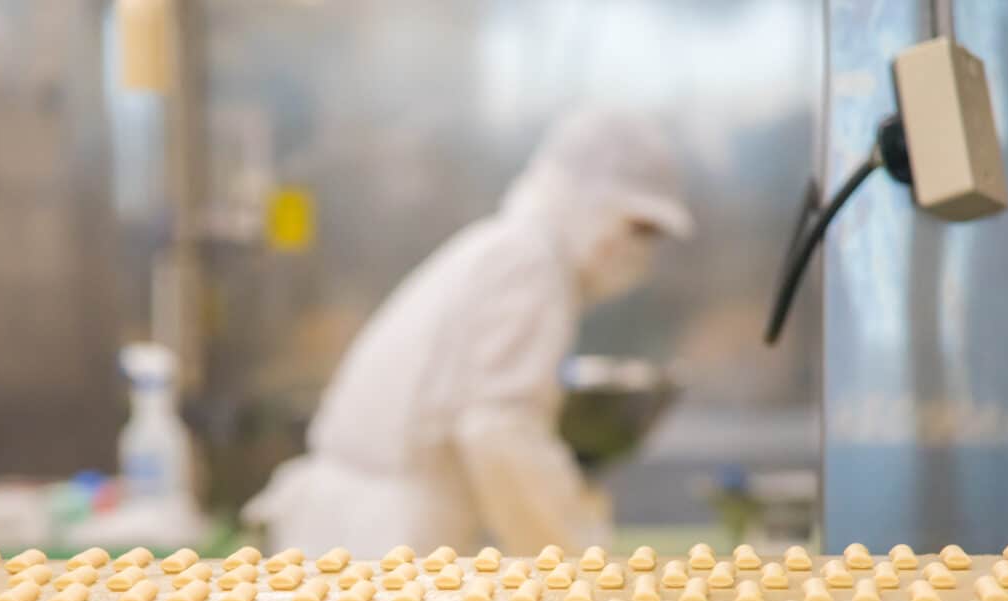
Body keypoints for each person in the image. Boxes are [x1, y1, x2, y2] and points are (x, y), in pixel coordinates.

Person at [243, 108, 692, 556]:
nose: (638, 252)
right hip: (390, 535)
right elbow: (499, 430)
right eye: (636, 229)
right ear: (589, 204)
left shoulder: (506, 249)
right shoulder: (529, 264)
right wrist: (578, 555)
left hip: (367, 520)